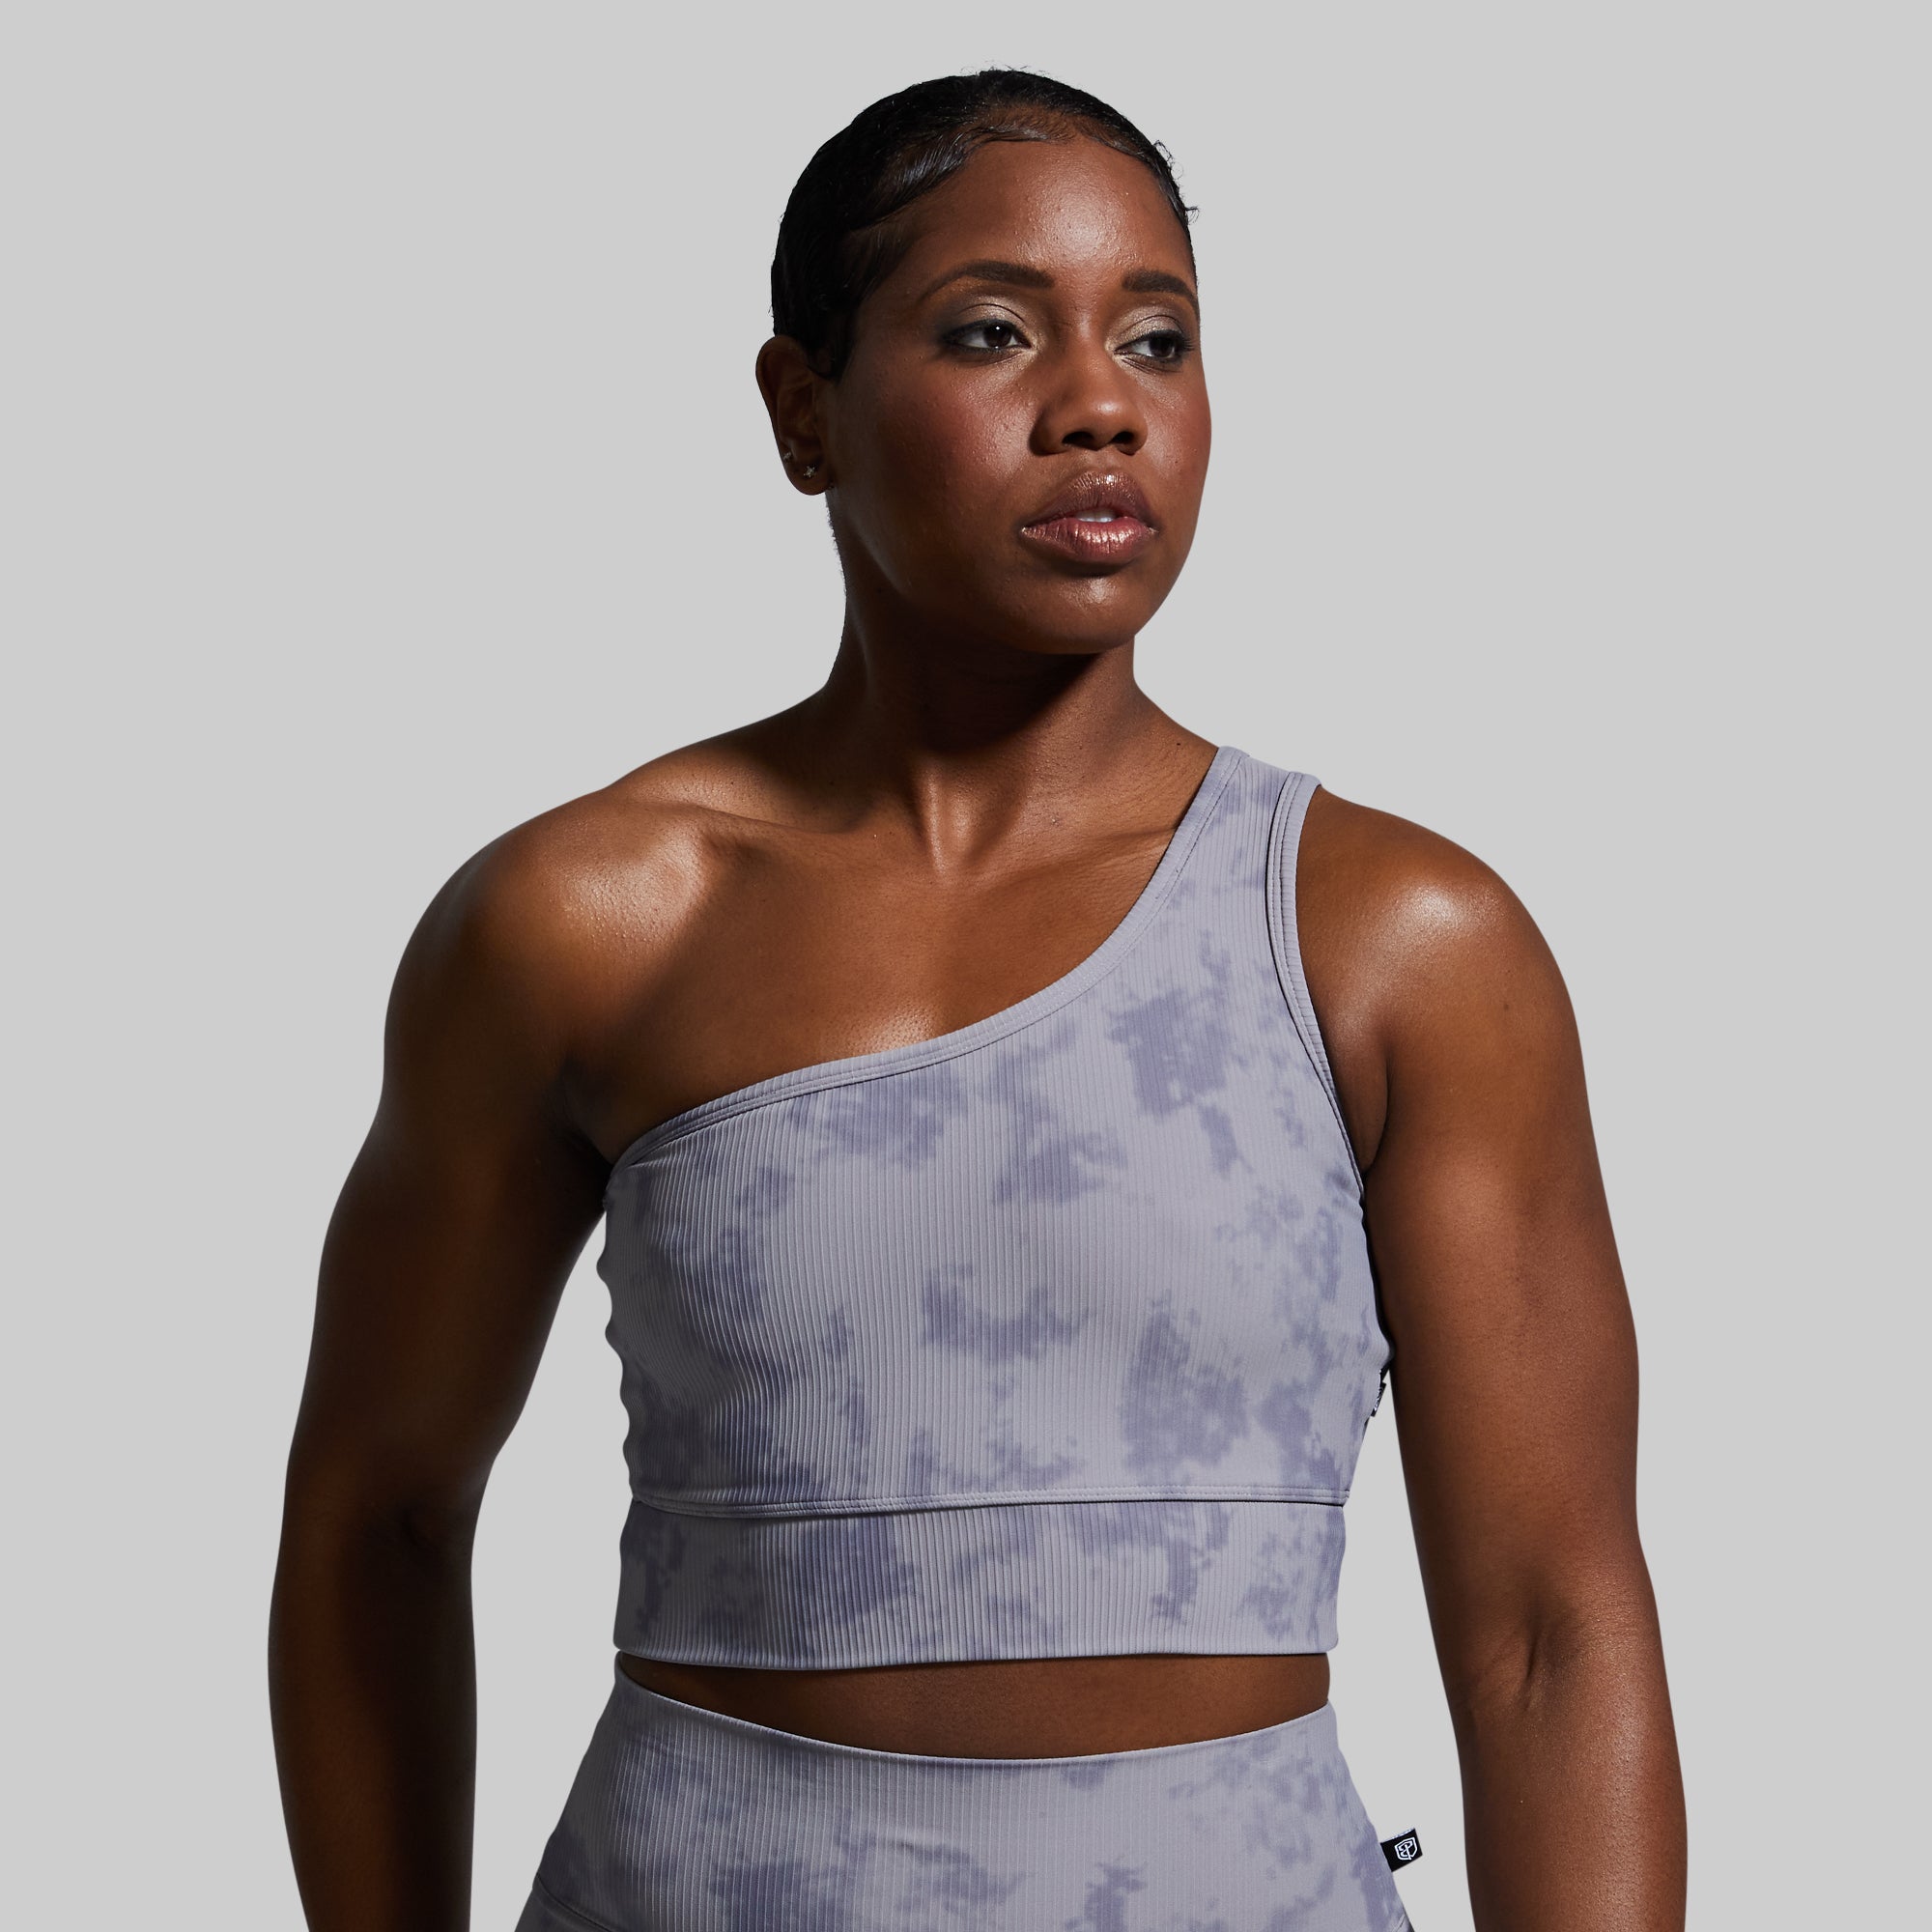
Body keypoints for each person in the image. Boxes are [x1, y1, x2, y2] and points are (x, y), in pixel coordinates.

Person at [270, 69, 1686, 1932]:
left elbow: (1549, 1632)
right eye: (994, 332)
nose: (1101, 404)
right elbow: (373, 1527)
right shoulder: (587, 923)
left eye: (1158, 339)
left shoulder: (1394, 941)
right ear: (803, 411)